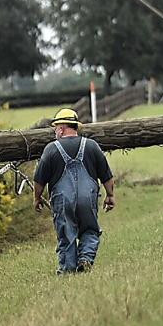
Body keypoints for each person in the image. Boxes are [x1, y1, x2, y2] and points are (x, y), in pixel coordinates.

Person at [33, 108, 116, 274]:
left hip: (63, 201)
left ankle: (68, 269)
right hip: (88, 199)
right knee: (90, 230)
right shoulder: (92, 146)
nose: (55, 131)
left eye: (56, 127)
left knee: (66, 233)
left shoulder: (51, 149)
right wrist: (110, 195)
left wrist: (37, 198)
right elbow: (107, 175)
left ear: (62, 128)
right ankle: (85, 258)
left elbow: (39, 180)